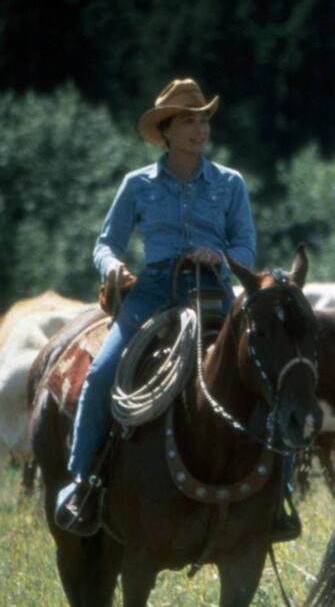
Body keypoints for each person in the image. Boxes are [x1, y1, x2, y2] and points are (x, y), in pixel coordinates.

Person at [54, 79, 297, 542]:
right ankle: (81, 482)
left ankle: (279, 498)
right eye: (189, 120)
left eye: (204, 119)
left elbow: (245, 243)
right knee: (103, 374)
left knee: (272, 374)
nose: (200, 128)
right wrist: (113, 267)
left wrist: (221, 255)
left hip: (214, 294)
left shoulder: (230, 183)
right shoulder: (137, 185)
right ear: (166, 130)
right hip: (152, 293)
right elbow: (106, 243)